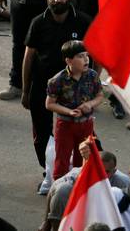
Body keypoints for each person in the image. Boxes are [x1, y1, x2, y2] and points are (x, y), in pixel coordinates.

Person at [21, 0, 91, 169]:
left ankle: (81, 171)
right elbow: (28, 57)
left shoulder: (83, 21)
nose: (58, 0)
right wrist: (26, 91)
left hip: (75, 89)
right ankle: (49, 173)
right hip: (43, 86)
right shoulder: (38, 23)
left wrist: (92, 86)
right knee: (42, 134)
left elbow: (97, 54)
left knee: (81, 132)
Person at [44, 40, 102, 180]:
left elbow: (100, 96)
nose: (86, 59)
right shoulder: (57, 81)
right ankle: (59, 189)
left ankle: (80, 188)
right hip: (65, 126)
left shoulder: (92, 76)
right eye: (81, 56)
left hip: (86, 124)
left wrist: (90, 104)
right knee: (62, 160)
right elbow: (50, 104)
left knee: (83, 158)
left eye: (87, 55)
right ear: (69, 60)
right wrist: (68, 111)